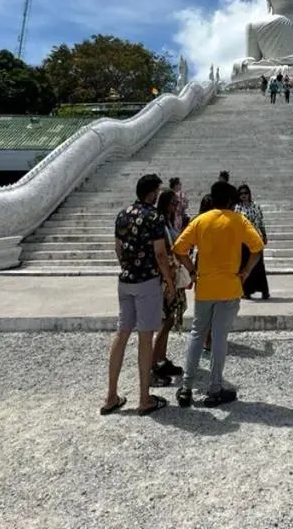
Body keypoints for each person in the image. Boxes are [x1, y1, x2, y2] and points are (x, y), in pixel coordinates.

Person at [172, 181, 264, 408]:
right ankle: (215, 388)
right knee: (220, 338)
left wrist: (192, 271)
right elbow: (257, 247)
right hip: (229, 286)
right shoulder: (238, 220)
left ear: (212, 198)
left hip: (204, 286)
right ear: (231, 201)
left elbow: (179, 248)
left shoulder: (200, 220)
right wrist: (245, 272)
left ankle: (186, 388)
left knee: (197, 333)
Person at [103, 173, 174, 417]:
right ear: (152, 193)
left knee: (122, 334)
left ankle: (111, 395)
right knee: (145, 338)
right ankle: (144, 398)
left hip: (126, 280)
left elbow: (118, 247)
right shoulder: (153, 217)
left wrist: (127, 266)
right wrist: (169, 281)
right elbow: (161, 254)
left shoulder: (122, 214)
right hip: (147, 281)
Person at [150, 189, 188, 384]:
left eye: (177, 203)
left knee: (170, 319)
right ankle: (152, 366)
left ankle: (161, 360)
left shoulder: (168, 222)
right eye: (173, 202)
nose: (176, 206)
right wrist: (170, 282)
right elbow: (162, 253)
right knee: (166, 321)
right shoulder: (159, 223)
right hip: (167, 278)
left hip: (172, 275)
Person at [236, 184, 271, 300]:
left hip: (256, 239)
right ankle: (246, 291)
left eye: (245, 193)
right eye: (241, 193)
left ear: (249, 194)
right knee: (245, 265)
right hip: (243, 241)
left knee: (259, 265)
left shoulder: (256, 206)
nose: (244, 196)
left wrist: (264, 235)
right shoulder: (237, 208)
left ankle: (264, 290)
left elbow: (260, 222)